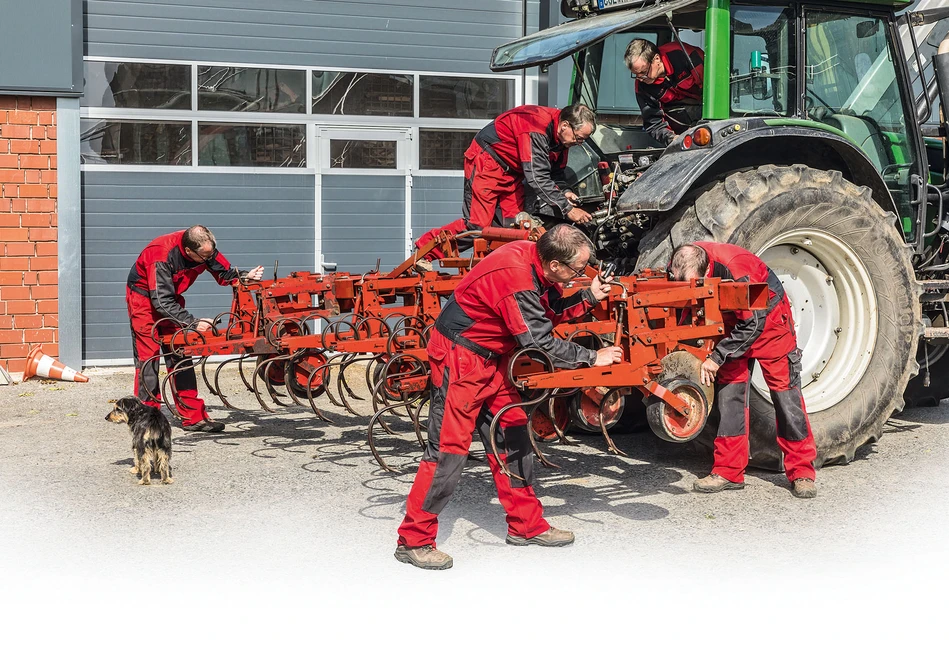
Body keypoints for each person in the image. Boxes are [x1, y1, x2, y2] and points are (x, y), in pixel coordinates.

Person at [395, 224, 624, 570]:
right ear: (554, 265)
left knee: (513, 434)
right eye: (577, 270)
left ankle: (526, 525)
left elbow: (543, 315)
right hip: (461, 358)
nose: (579, 274)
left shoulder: (533, 261)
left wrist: (587, 296)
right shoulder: (515, 277)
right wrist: (593, 357)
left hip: (493, 357)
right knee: (448, 451)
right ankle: (413, 540)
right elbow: (538, 342)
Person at [667, 242, 817, 499]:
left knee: (786, 397)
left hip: (768, 322)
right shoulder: (684, 261)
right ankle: (728, 471)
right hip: (730, 321)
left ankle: (802, 471)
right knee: (730, 397)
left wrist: (717, 357)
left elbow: (753, 324)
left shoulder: (738, 268)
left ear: (706, 271)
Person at [413, 104, 597, 270]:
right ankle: (424, 250)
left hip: (513, 172)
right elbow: (538, 177)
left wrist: (566, 192)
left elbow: (555, 174)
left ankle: (503, 269)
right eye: (578, 138)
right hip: (488, 162)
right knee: (477, 224)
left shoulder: (561, 139)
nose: (577, 143)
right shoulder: (536, 127)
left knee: (515, 227)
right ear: (565, 125)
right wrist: (568, 210)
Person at [126, 225, 264, 432]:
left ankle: (193, 417)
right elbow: (161, 302)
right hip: (144, 303)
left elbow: (224, 272)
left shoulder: (205, 248)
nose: (209, 259)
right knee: (149, 361)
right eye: (204, 256)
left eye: (211, 254)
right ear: (189, 251)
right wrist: (192, 323)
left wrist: (244, 276)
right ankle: (146, 420)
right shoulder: (161, 255)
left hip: (170, 301)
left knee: (180, 354)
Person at [624, 38, 704, 146]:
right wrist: (673, 139)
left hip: (706, 115)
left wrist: (700, 125)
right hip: (680, 130)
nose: (640, 78)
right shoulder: (642, 87)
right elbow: (653, 123)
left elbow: (715, 90)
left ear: (657, 59)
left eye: (643, 72)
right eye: (636, 75)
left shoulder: (684, 55)